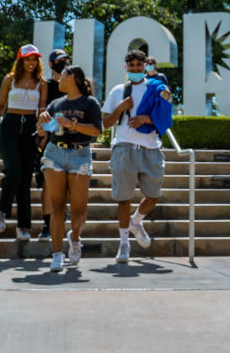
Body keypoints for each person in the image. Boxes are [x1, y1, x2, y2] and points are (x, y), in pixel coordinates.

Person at [101, 49, 173, 264]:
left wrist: (146, 119)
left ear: (145, 67)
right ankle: (124, 244)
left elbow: (165, 116)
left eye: (139, 65)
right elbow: (106, 123)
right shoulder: (118, 91)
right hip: (124, 148)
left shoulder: (157, 88)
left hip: (151, 148)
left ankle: (136, 221)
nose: (135, 69)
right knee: (123, 199)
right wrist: (120, 108)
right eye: (131, 65)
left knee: (154, 196)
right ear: (126, 67)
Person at [38, 65, 103, 272]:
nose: (58, 79)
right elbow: (44, 131)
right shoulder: (55, 103)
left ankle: (75, 238)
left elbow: (96, 131)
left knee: (79, 212)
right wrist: (42, 121)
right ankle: (57, 254)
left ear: (73, 77)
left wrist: (71, 124)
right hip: (54, 153)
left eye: (63, 75)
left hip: (80, 155)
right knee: (57, 207)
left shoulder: (90, 102)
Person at [0, 44, 47, 242]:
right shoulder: (9, 79)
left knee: (25, 179)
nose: (31, 62)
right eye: (27, 59)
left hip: (30, 128)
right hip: (10, 127)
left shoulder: (41, 83)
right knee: (13, 171)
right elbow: (1, 105)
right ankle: (2, 211)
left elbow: (42, 110)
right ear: (21, 60)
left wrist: (44, 132)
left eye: (34, 59)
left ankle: (23, 225)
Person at [33, 48, 70, 243]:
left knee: (67, 181)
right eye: (59, 60)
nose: (63, 64)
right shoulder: (46, 85)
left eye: (65, 60)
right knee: (47, 182)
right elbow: (42, 110)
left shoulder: (72, 84)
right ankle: (47, 224)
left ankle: (62, 216)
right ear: (51, 64)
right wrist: (45, 134)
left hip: (69, 138)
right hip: (49, 138)